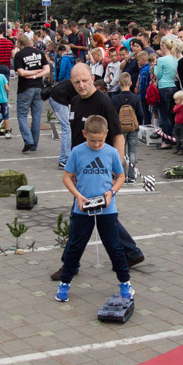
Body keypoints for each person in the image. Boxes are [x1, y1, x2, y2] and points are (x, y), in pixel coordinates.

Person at [54, 116, 132, 305]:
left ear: (106, 134)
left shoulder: (112, 152)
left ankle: (125, 283)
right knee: (74, 246)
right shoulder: (77, 152)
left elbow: (120, 176)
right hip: (83, 208)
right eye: (92, 140)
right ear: (84, 135)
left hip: (107, 208)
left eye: (100, 140)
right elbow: (67, 177)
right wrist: (78, 195)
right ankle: (65, 283)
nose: (96, 144)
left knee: (114, 247)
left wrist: (111, 192)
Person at [13, 34, 49, 153]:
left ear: (19, 44)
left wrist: (32, 74)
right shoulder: (39, 53)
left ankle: (28, 140)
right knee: (36, 116)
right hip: (38, 86)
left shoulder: (19, 55)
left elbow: (22, 73)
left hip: (25, 88)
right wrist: (37, 73)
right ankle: (34, 145)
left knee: (22, 115)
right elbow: (47, 70)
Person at [110, 72, 144, 182]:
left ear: (119, 83)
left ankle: (122, 176)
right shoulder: (136, 98)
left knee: (121, 152)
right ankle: (132, 176)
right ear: (131, 83)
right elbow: (140, 114)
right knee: (132, 152)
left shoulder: (115, 98)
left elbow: (113, 114)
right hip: (133, 128)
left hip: (120, 129)